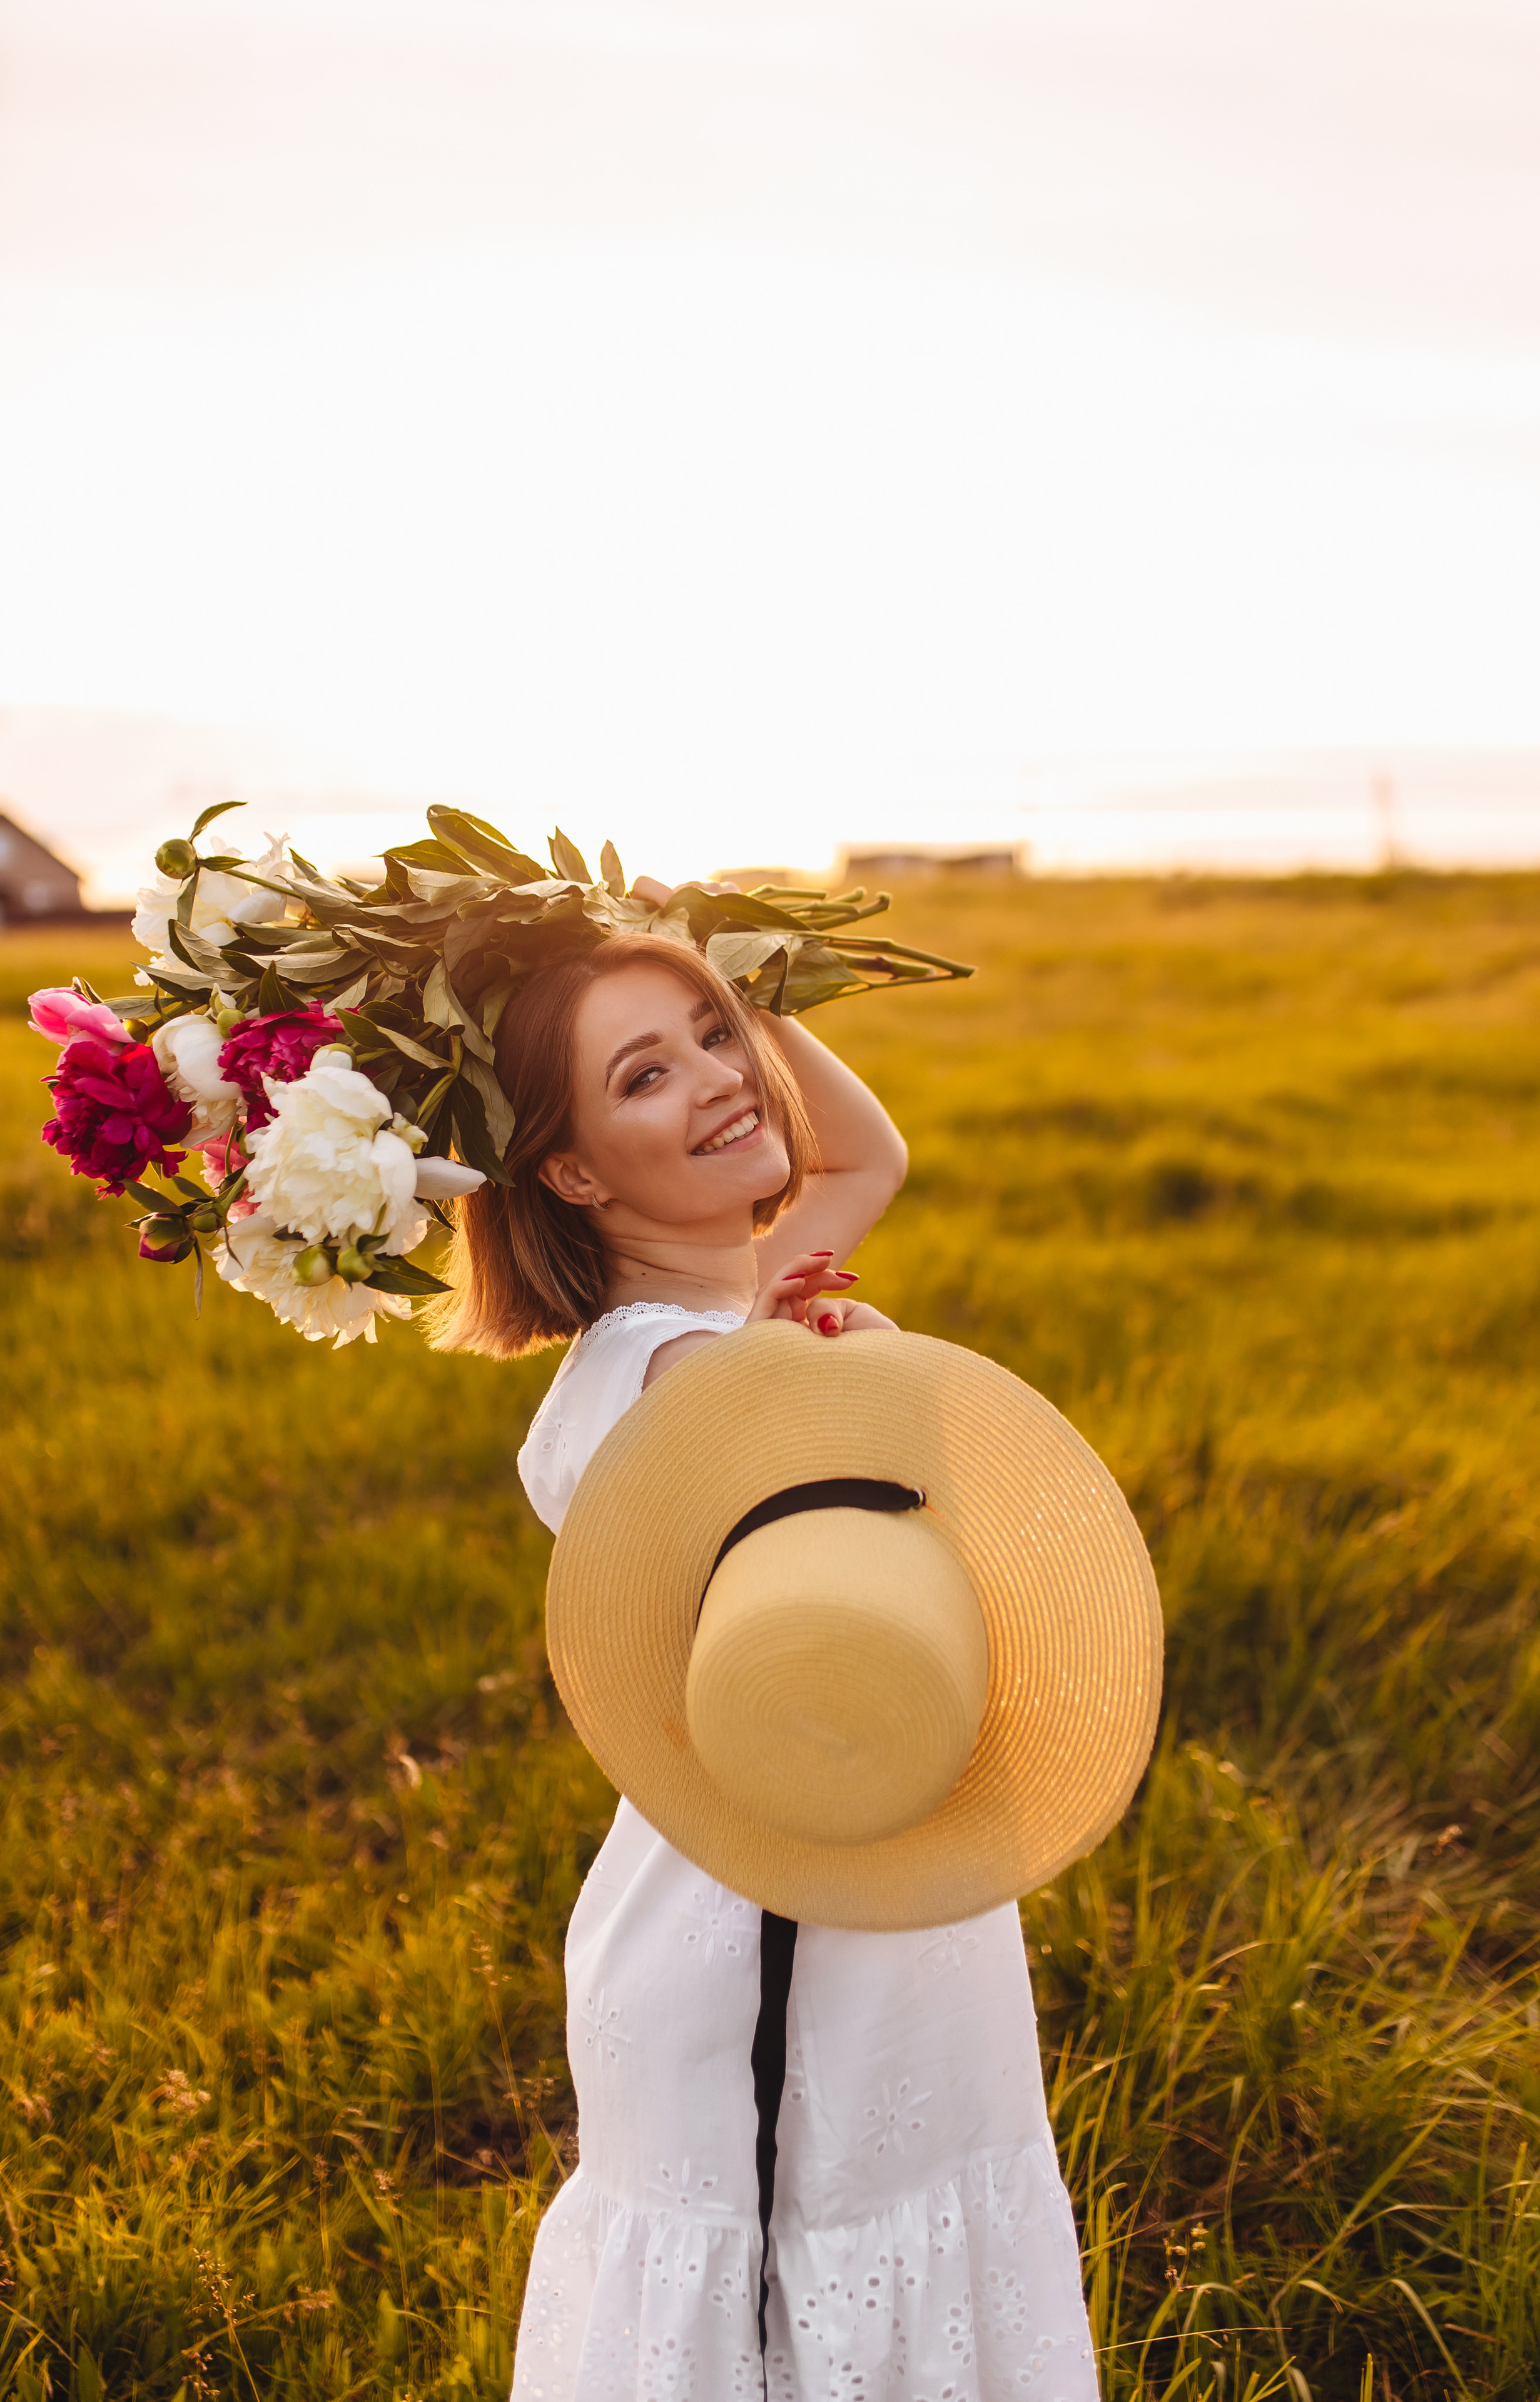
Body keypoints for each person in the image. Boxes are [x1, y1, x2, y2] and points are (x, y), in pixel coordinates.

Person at [430, 908, 1100, 2401]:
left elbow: (864, 1160)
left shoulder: (727, 1301)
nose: (719, 1082)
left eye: (715, 1039)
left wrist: (740, 985)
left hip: (873, 1863)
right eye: (644, 1078)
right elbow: (751, 1428)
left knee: (895, 2268)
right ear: (574, 1169)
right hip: (770, 1952)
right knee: (798, 2310)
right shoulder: (669, 1362)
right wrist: (815, 1364)